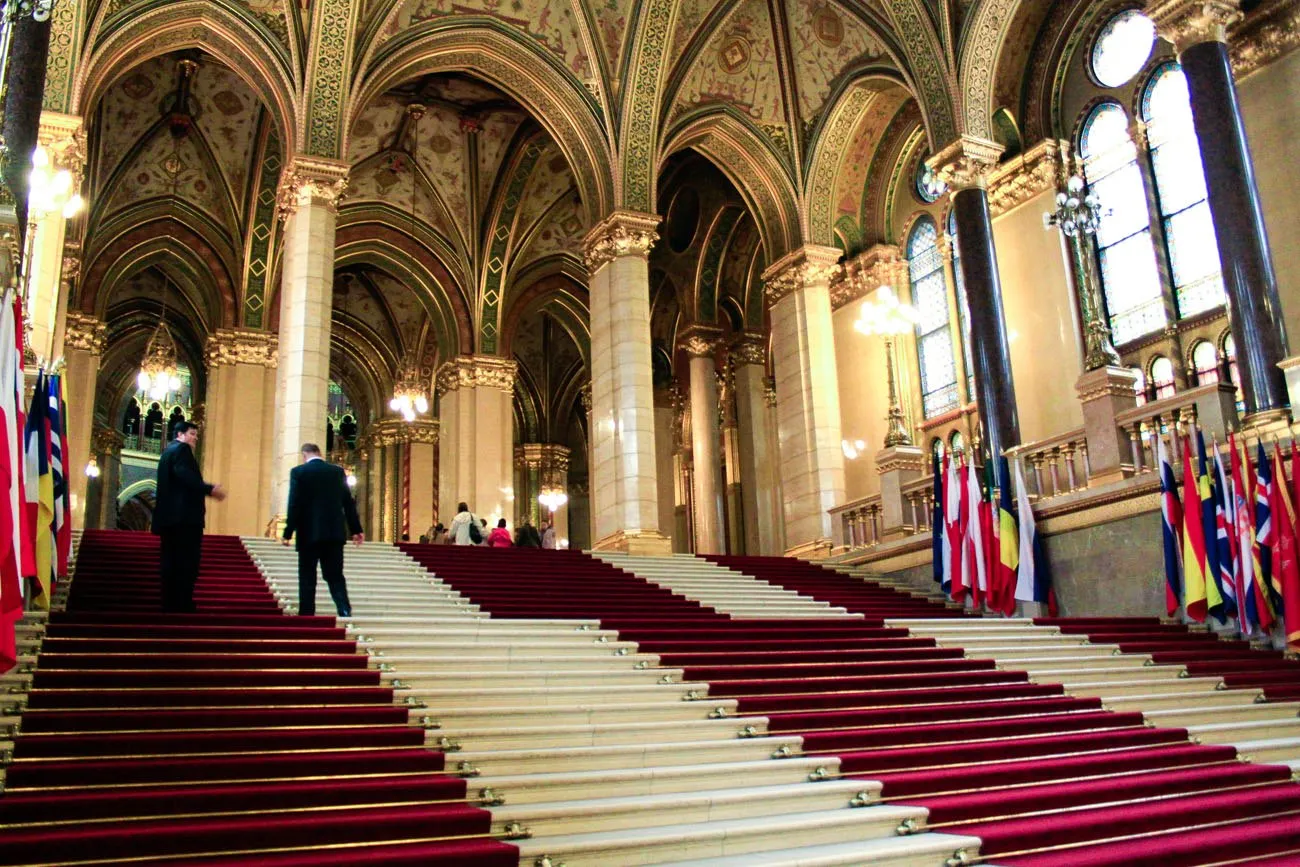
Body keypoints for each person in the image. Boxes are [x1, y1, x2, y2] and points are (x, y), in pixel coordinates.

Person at [281, 443, 364, 617]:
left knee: (307, 575)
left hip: (308, 532)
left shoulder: (299, 472)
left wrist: (288, 532)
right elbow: (348, 503)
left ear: (304, 455)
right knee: (335, 575)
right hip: (333, 533)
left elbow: (294, 504)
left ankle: (307, 613)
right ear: (320, 454)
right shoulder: (337, 472)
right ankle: (344, 609)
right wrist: (356, 529)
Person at [153, 421, 226, 613]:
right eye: (192, 433)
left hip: (169, 519)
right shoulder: (182, 450)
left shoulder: (167, 453)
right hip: (184, 519)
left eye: (196, 434)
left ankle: (169, 603)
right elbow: (185, 475)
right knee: (187, 562)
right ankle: (182, 603)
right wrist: (209, 489)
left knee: (170, 561)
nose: (196, 438)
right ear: (180, 434)